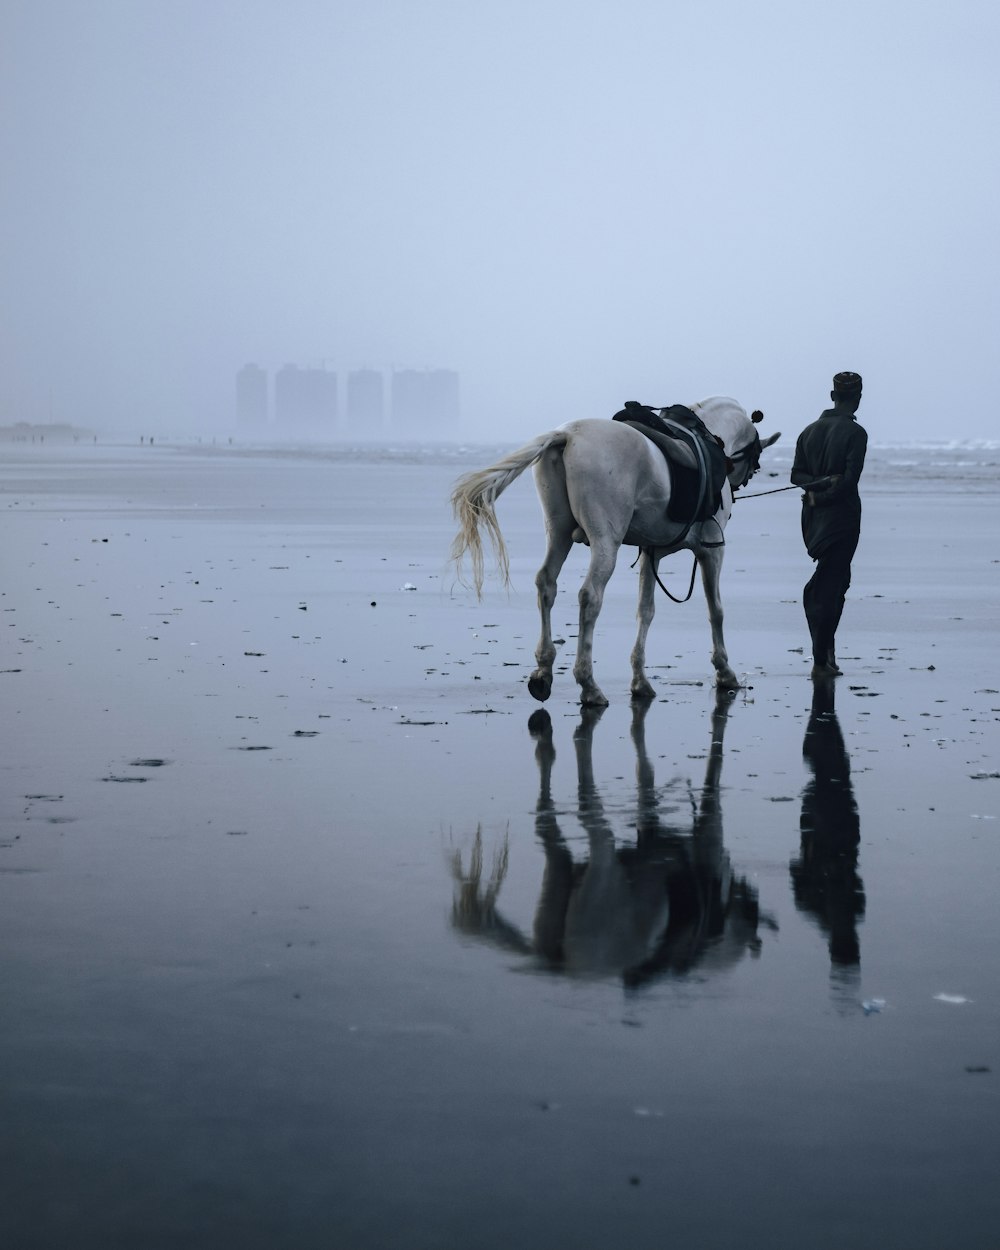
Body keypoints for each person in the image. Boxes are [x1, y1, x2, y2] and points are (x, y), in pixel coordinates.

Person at [791, 371, 868, 678]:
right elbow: (849, 484)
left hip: (811, 522)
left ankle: (826, 652)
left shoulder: (808, 431)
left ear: (832, 395)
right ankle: (821, 659)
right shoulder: (856, 434)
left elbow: (796, 477)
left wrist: (815, 489)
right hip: (842, 520)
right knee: (829, 585)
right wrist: (821, 494)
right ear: (858, 397)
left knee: (836, 581)